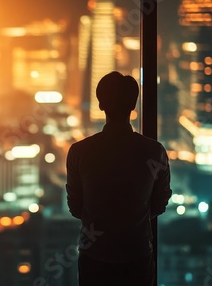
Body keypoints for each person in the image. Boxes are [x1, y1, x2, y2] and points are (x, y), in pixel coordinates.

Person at [65, 71, 172, 286]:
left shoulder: (79, 152)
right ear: (133, 105)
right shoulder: (154, 152)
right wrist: (132, 217)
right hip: (137, 255)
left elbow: (76, 208)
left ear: (101, 104)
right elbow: (160, 203)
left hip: (95, 256)